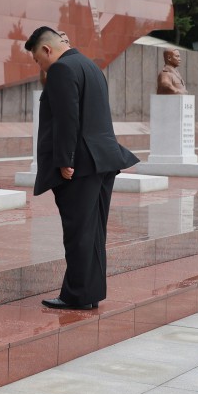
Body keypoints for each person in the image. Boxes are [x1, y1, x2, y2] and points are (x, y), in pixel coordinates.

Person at [24, 26, 139, 310]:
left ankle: (76, 295)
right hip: (103, 160)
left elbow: (67, 119)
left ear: (47, 49)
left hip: (80, 165)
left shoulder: (62, 69)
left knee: (78, 232)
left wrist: (65, 160)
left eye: (38, 58)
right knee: (94, 231)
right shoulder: (90, 66)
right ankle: (89, 292)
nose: (40, 65)